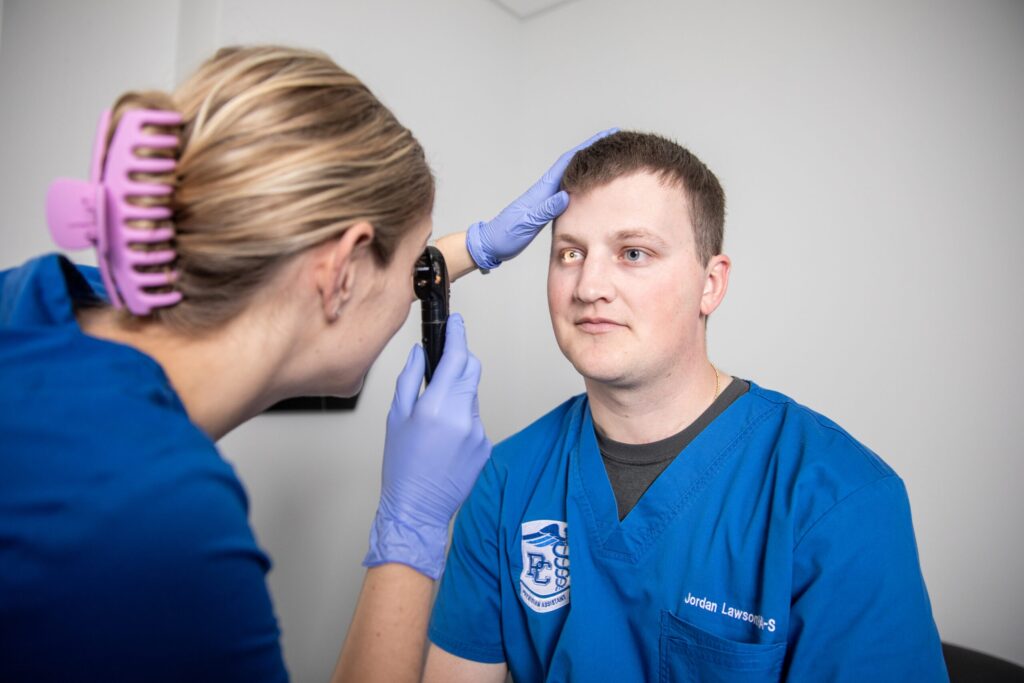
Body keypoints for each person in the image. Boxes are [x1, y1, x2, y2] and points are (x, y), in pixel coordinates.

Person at [0, 45, 611, 682]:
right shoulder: (159, 522)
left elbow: (280, 280)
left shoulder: (43, 297)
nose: (416, 284)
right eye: (413, 260)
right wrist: (413, 527)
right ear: (340, 271)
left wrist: (478, 246)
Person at [425, 131, 950, 682]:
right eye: (570, 253)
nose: (588, 285)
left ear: (711, 284)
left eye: (633, 253)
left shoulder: (839, 497)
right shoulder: (507, 480)